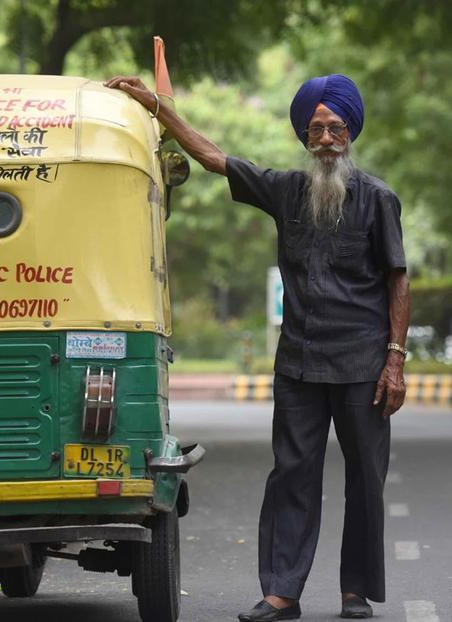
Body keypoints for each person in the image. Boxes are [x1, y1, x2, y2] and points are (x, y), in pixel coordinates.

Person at [104, 73, 410, 621]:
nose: (325, 138)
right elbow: (214, 157)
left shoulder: (379, 199)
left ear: (350, 133)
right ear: (304, 136)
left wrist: (395, 359)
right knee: (291, 474)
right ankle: (281, 593)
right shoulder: (284, 189)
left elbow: (397, 280)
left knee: (366, 476)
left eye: (335, 128)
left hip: (364, 362)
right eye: (315, 129)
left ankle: (355, 592)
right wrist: (158, 108)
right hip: (298, 362)